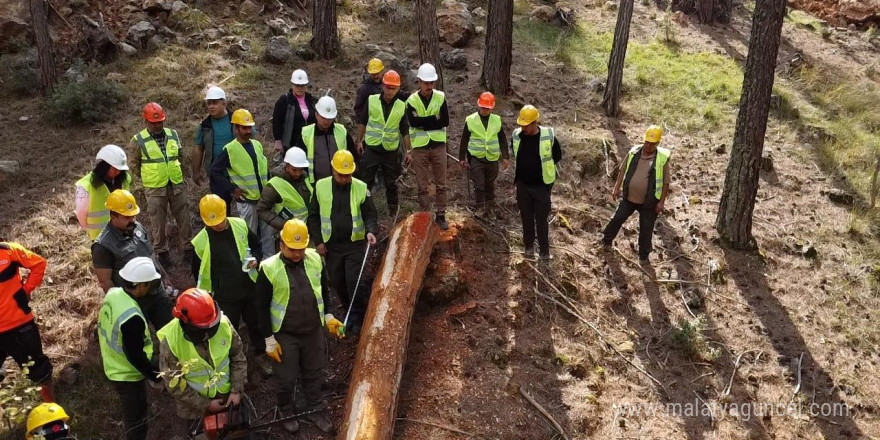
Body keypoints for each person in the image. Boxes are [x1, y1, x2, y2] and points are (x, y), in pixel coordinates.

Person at [256, 219, 339, 433]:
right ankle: (285, 409)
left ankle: (314, 407)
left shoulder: (314, 259)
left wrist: (328, 316)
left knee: (314, 372)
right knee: (286, 377)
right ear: (281, 245)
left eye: (301, 249)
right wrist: (268, 339)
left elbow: (324, 291)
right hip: (285, 333)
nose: (297, 254)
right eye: (292, 249)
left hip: (312, 330)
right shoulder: (269, 268)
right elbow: (261, 306)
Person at [190, 195, 269, 374]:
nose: (218, 225)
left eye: (220, 221)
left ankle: (261, 354)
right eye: (213, 223)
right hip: (224, 296)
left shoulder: (239, 225)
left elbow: (256, 246)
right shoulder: (200, 241)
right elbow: (198, 272)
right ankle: (235, 365)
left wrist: (255, 259)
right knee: (228, 331)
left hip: (249, 287)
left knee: (256, 323)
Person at [307, 150, 378, 335]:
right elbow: (313, 216)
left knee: (355, 282)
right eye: (341, 175)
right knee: (337, 281)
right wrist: (319, 241)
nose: (345, 178)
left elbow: (370, 213)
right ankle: (348, 310)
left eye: (348, 175)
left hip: (354, 245)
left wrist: (370, 231)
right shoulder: (321, 187)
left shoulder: (361, 188)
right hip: (331, 246)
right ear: (333, 170)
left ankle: (357, 319)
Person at [157, 288, 247, 430]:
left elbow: (238, 357)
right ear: (184, 321)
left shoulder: (223, 324)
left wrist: (236, 390)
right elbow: (174, 384)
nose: (209, 332)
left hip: (228, 397)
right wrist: (205, 404)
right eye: (203, 329)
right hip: (194, 408)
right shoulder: (170, 343)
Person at [98, 257, 166, 440]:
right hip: (126, 374)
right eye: (150, 284)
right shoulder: (132, 318)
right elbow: (135, 356)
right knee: (136, 419)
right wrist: (155, 376)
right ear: (141, 285)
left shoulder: (113, 293)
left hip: (112, 362)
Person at [92, 189, 173, 330]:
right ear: (113, 216)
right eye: (127, 217)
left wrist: (164, 276)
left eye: (133, 216)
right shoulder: (103, 246)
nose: (132, 220)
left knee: (171, 329)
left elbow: (151, 255)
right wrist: (121, 306)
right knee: (141, 339)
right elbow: (106, 281)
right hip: (133, 300)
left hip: (156, 290)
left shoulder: (137, 227)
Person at [128, 102, 193, 267]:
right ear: (146, 121)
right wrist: (148, 179)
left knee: (184, 218)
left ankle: (188, 249)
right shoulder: (138, 140)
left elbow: (180, 156)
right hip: (155, 188)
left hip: (176, 184)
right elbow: (133, 165)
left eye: (160, 122)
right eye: (153, 122)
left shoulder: (173, 134)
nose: (157, 125)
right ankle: (162, 252)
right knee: (158, 222)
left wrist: (181, 174)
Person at [209, 109, 275, 259]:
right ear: (236, 128)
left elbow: (264, 170)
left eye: (249, 127)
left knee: (268, 235)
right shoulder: (230, 149)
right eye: (244, 128)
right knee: (247, 235)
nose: (248, 131)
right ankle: (249, 265)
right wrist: (232, 189)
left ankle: (268, 264)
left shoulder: (257, 145)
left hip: (264, 200)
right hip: (247, 202)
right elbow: (214, 171)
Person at [602, 125, 672, 263]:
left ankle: (644, 256)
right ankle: (606, 240)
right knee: (617, 218)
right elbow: (622, 171)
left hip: (650, 202)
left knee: (646, 230)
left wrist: (661, 202)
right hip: (629, 198)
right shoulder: (634, 152)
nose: (649, 145)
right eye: (647, 142)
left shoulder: (662, 159)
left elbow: (666, 183)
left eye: (652, 143)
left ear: (657, 143)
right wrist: (616, 188)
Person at [0, 242, 53, 403]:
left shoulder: (9, 251)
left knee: (40, 371)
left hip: (19, 324)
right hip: (20, 326)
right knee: (39, 371)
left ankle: (53, 413)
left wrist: (26, 290)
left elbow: (39, 263)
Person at [355, 70, 412, 216]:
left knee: (391, 183)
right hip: (372, 148)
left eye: (393, 88)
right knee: (365, 180)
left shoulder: (401, 105)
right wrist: (359, 141)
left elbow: (404, 129)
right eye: (387, 87)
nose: (389, 91)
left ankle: (393, 212)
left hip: (390, 151)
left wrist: (408, 151)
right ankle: (361, 209)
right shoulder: (372, 100)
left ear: (398, 88)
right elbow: (362, 122)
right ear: (382, 86)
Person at [511, 105, 562, 260]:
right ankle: (528, 248)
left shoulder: (548, 135)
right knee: (526, 217)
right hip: (523, 185)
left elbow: (557, 156)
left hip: (541, 186)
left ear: (534, 123)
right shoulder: (516, 135)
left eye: (526, 125)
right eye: (521, 125)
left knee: (541, 220)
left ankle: (544, 252)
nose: (523, 128)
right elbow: (515, 153)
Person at [407, 63, 450, 230]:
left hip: (438, 146)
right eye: (426, 83)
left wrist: (423, 122)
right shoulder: (411, 100)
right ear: (419, 81)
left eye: (431, 83)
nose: (429, 86)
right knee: (422, 185)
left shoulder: (440, 97)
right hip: (420, 147)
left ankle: (441, 214)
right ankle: (425, 215)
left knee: (441, 183)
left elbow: (445, 121)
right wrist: (434, 120)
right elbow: (413, 122)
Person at [458, 92, 510, 217]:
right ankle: (481, 207)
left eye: (487, 108)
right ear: (479, 105)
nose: (485, 110)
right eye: (483, 107)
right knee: (479, 184)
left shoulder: (496, 120)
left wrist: (505, 156)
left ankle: (490, 205)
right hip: (476, 157)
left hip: (492, 158)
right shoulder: (471, 120)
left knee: (490, 183)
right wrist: (461, 157)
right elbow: (464, 140)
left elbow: (502, 139)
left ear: (491, 108)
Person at [75, 145, 133, 241]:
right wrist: (87, 228)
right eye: (114, 168)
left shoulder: (125, 179)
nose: (118, 172)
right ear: (104, 166)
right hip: (101, 237)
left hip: (124, 231)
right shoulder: (87, 185)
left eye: (120, 169)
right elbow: (81, 213)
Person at [194, 86, 236, 212]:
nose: (211, 106)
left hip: (238, 170)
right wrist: (196, 171)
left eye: (215, 103)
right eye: (209, 103)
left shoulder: (236, 119)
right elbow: (198, 148)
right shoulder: (205, 125)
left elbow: (252, 139)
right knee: (221, 206)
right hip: (217, 173)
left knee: (244, 205)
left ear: (224, 103)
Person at [300, 96, 355, 185]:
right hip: (315, 183)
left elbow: (353, 156)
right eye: (323, 117)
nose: (326, 121)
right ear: (316, 115)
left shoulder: (342, 131)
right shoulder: (306, 133)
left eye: (329, 118)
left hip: (339, 182)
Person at [257, 148, 313, 231]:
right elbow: (262, 210)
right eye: (294, 170)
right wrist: (284, 225)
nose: (298, 174)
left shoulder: (305, 177)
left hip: (307, 229)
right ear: (286, 165)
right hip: (289, 232)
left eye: (301, 169)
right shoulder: (274, 185)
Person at [272, 69, 317, 154]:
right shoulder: (285, 100)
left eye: (302, 85)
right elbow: (277, 121)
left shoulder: (312, 101)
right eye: (297, 85)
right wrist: (278, 140)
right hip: (291, 143)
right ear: (292, 85)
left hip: (310, 143)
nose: (300, 88)